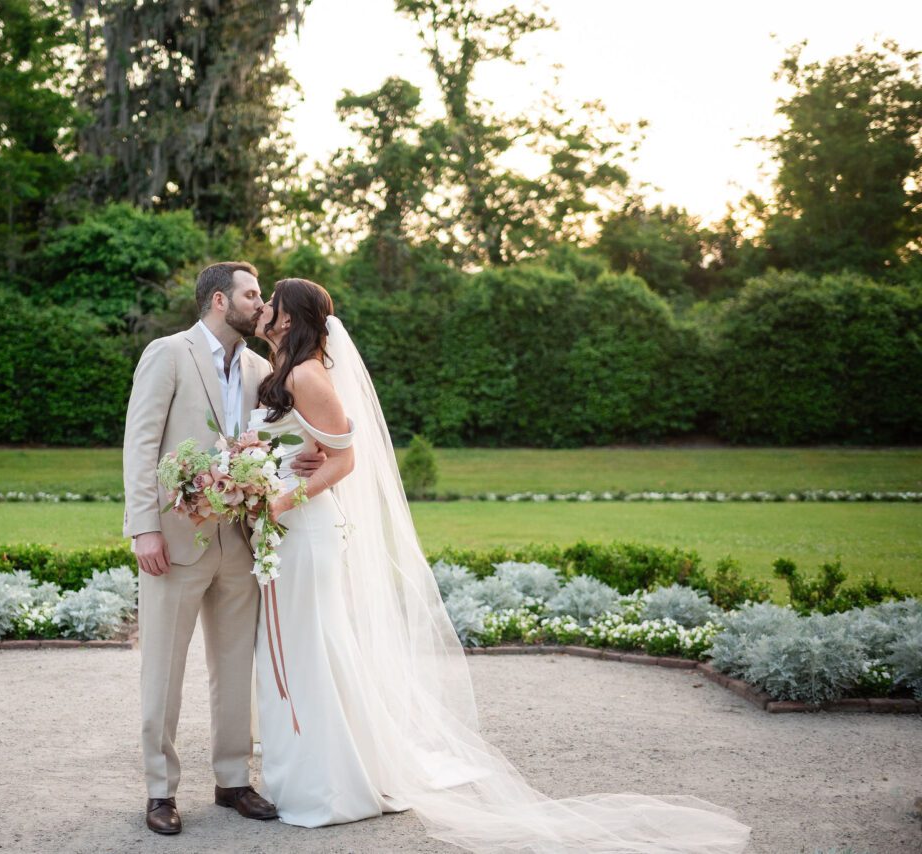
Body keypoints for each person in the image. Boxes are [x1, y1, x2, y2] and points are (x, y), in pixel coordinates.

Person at [247, 277, 753, 853]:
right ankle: (306, 774)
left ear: (290, 318)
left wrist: (284, 498)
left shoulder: (309, 375)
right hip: (281, 533)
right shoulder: (281, 372)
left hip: (305, 529)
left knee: (316, 646)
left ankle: (333, 785)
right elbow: (284, 447)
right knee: (295, 645)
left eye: (271, 304)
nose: (263, 309)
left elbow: (346, 459)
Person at [121, 261, 325, 836]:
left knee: (236, 665)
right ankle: (160, 792)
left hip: (241, 540)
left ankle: (233, 778)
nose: (262, 305)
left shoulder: (263, 366)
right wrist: (144, 527)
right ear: (218, 300)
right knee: (163, 667)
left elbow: (275, 441)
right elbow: (140, 444)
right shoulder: (168, 354)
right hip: (175, 539)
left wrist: (305, 460)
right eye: (252, 294)